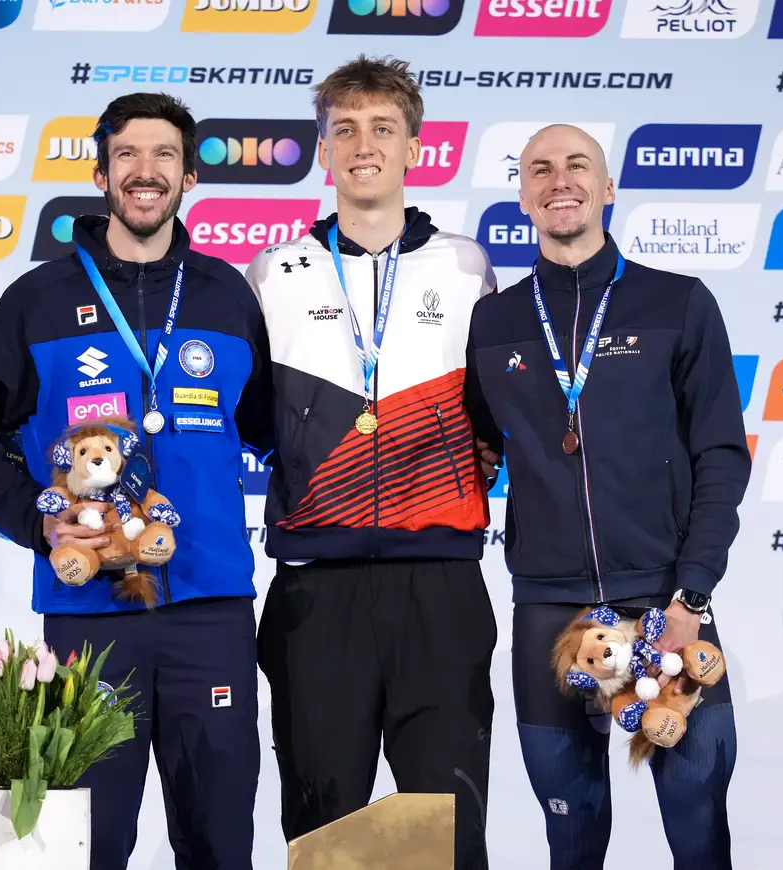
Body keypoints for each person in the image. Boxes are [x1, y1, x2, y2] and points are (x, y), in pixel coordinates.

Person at [0, 93, 272, 870]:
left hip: (212, 614)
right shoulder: (39, 299)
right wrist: (38, 522)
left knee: (221, 840)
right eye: (128, 154)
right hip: (89, 614)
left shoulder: (228, 295)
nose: (146, 170)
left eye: (165, 154)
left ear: (190, 176)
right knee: (83, 846)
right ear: (102, 173)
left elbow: (276, 428)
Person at [465, 124, 751, 870]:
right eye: (540, 169)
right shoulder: (492, 321)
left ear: (609, 185)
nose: (560, 181)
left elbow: (720, 454)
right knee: (572, 832)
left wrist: (691, 594)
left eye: (577, 165)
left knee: (697, 829)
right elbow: (475, 441)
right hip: (548, 611)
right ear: (523, 194)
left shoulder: (678, 303)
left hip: (668, 599)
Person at [245, 55, 500, 869]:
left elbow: (495, 414)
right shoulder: (273, 272)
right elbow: (251, 418)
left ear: (414, 146)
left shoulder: (466, 267)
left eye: (382, 128)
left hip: (442, 585)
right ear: (322, 153)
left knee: (444, 830)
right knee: (326, 836)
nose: (364, 145)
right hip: (316, 591)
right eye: (344, 129)